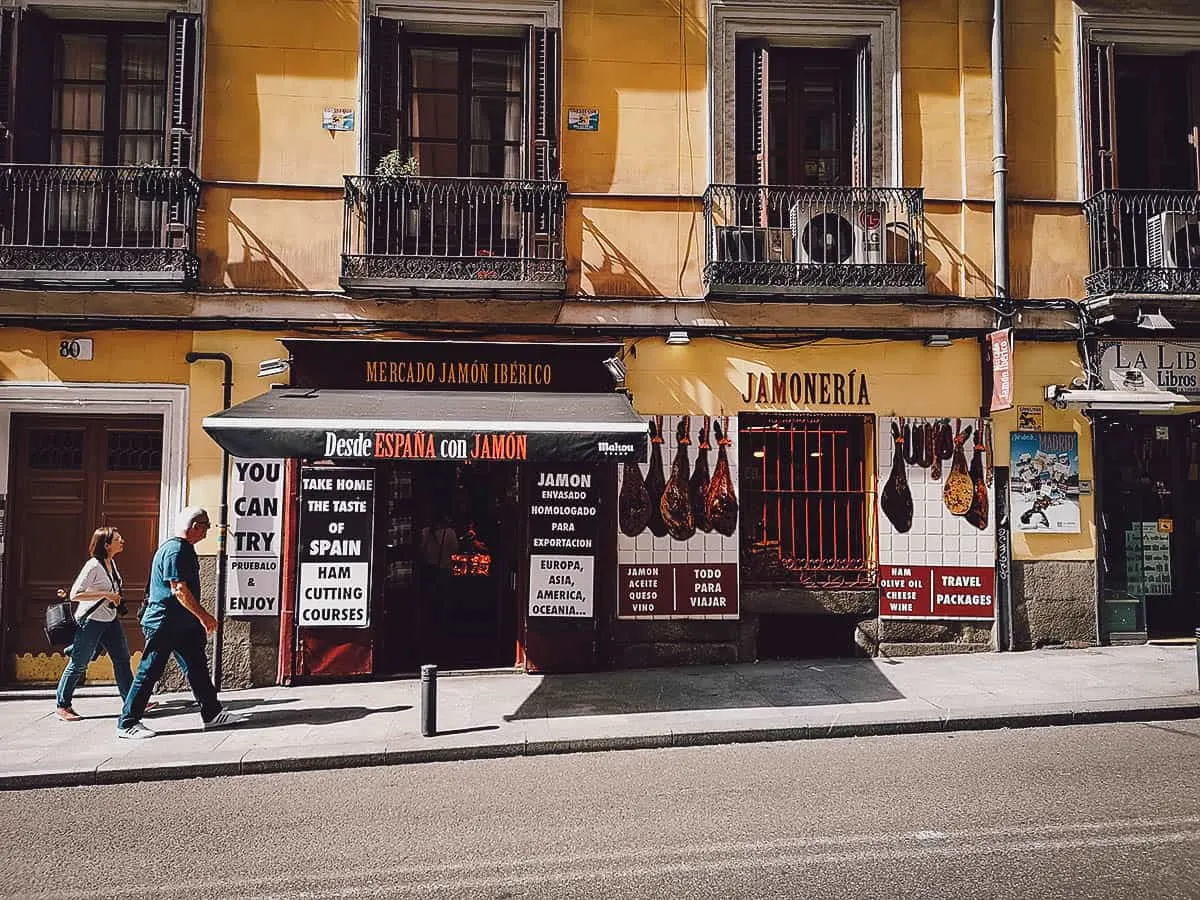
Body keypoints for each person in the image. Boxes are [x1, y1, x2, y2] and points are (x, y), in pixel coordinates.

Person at [116, 506, 243, 739]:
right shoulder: (176, 551)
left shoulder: (177, 548)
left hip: (182, 624)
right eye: (206, 526)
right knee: (149, 671)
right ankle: (128, 722)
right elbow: (179, 590)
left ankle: (212, 713)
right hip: (165, 622)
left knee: (197, 667)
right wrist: (204, 616)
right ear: (195, 527)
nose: (207, 532)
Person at [54, 527, 135, 722]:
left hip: (110, 619)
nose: (122, 540)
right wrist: (106, 594)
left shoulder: (111, 562)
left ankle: (132, 701)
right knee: (79, 663)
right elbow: (75, 594)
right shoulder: (93, 566)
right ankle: (63, 705)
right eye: (118, 538)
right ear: (107, 545)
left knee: (122, 660)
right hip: (91, 622)